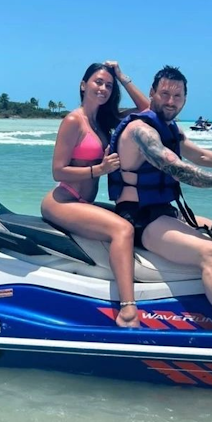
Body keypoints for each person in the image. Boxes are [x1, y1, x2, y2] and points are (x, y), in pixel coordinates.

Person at [107, 65, 212, 331]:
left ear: (185, 99)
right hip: (140, 217)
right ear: (152, 93)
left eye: (177, 96)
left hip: (163, 212)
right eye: (165, 94)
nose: (171, 101)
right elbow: (179, 169)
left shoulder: (169, 128)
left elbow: (201, 156)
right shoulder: (142, 131)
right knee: (211, 253)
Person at [41, 61, 149, 328]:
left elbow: (147, 109)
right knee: (122, 230)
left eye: (108, 86)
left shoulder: (102, 121)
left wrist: (121, 76)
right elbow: (57, 171)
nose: (103, 88)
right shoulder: (73, 121)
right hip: (62, 200)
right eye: (98, 82)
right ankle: (127, 310)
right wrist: (99, 169)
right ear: (83, 85)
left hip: (82, 202)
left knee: (134, 218)